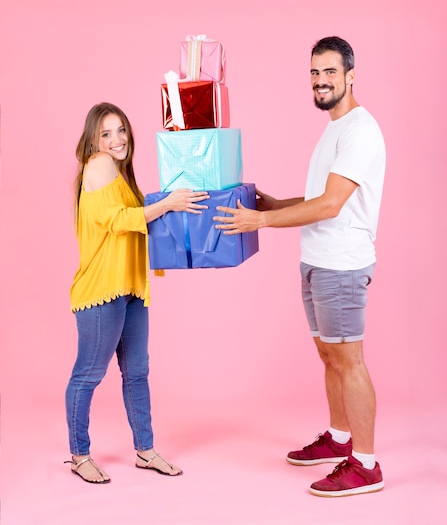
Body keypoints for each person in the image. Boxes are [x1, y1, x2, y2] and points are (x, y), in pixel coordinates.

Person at [213, 37, 386, 497]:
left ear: (351, 75)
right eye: (314, 73)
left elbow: (331, 205)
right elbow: (318, 200)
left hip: (341, 266)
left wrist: (262, 220)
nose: (321, 81)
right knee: (329, 357)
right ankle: (339, 439)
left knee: (349, 362)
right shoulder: (334, 128)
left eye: (330, 72)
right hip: (316, 261)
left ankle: (365, 465)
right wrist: (275, 203)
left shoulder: (359, 130)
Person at [65, 102, 209, 484]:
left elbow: (139, 224)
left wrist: (171, 206)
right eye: (106, 133)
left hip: (129, 289)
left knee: (137, 373)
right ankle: (80, 456)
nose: (116, 140)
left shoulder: (123, 177)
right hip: (101, 291)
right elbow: (119, 221)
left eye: (121, 130)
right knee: (88, 375)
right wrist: (168, 203)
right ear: (93, 141)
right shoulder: (98, 164)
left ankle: (145, 451)